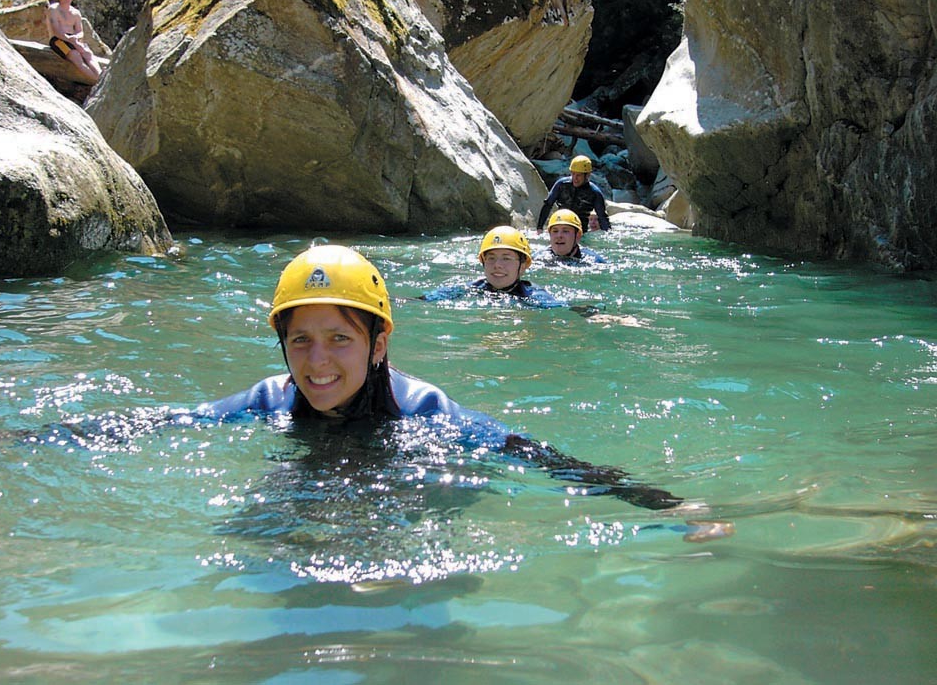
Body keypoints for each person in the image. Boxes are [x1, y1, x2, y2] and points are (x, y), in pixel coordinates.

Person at [198, 243, 717, 517]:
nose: (317, 362)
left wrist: (661, 502)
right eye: (299, 341)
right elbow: (171, 421)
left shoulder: (425, 409)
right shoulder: (272, 398)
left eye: (339, 339)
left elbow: (532, 454)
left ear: (378, 345)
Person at [420, 226, 564, 307]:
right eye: (491, 258)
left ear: (523, 265)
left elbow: (564, 309)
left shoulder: (535, 297)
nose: (497, 265)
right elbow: (425, 299)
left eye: (506, 258)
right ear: (483, 262)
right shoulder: (471, 289)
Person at [537, 155, 612, 234]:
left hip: (580, 231)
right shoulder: (561, 184)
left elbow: (602, 217)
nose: (575, 178)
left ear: (587, 175)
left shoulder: (594, 192)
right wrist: (539, 228)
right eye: (573, 174)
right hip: (560, 226)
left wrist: (608, 236)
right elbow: (548, 204)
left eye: (578, 175)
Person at [45, 0, 102, 83]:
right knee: (76, 56)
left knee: (88, 53)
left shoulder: (76, 13)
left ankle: (101, 76)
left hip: (73, 39)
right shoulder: (54, 9)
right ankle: (97, 80)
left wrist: (76, 39)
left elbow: (80, 31)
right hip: (58, 40)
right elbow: (56, 31)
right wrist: (72, 41)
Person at [533, 209, 606, 265]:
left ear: (577, 236)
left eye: (565, 231)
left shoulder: (593, 261)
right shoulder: (537, 258)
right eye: (555, 231)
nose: (559, 236)